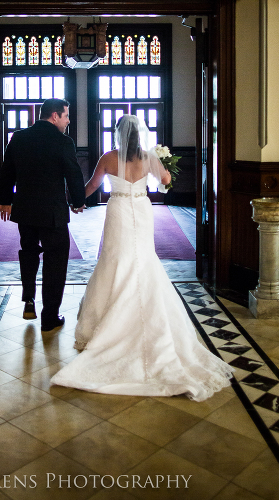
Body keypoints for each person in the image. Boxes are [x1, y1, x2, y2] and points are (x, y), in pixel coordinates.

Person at [51, 114, 234, 400]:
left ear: (118, 135)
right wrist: (165, 169)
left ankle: (106, 324)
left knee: (115, 260)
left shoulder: (108, 157)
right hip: (142, 208)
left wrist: (73, 201)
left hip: (119, 210)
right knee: (143, 259)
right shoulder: (149, 156)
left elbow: (91, 187)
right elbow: (165, 180)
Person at [0, 98, 85, 331]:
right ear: (54, 116)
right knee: (56, 261)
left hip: (25, 210)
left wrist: (6, 201)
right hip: (53, 212)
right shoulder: (63, 141)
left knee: (28, 253)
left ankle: (29, 298)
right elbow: (73, 174)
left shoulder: (19, 138)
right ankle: (50, 316)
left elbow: (7, 172)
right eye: (66, 116)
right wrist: (78, 202)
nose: (68, 121)